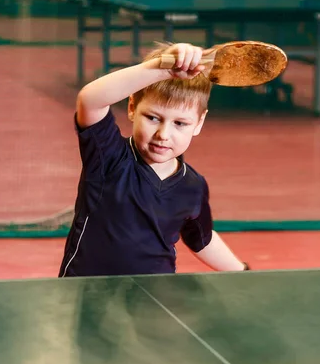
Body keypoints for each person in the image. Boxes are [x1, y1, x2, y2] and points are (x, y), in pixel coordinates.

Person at [58, 42, 249, 277]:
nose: (163, 135)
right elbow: (90, 100)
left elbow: (202, 239)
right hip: (89, 292)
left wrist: (243, 272)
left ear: (199, 123)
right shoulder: (108, 156)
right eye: (153, 118)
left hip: (155, 296)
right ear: (132, 107)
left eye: (180, 123)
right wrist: (162, 69)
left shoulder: (193, 185)